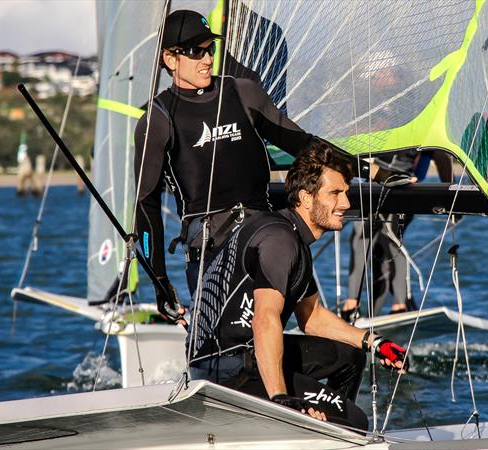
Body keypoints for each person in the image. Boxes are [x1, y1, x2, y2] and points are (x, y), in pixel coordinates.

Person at [133, 10, 411, 322]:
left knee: (330, 349)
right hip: (210, 252)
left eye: (210, 49)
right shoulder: (157, 119)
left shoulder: (242, 93)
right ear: (171, 59)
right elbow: (146, 205)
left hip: (263, 236)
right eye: (196, 52)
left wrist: (373, 172)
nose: (208, 59)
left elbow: (305, 144)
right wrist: (160, 283)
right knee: (230, 354)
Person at [187, 141, 409, 430]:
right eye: (335, 194)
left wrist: (374, 342)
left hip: (241, 354)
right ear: (306, 197)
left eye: (346, 193)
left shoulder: (289, 234)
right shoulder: (280, 241)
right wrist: (282, 400)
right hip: (227, 368)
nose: (346, 204)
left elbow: (312, 317)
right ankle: (309, 428)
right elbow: (265, 320)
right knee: (355, 420)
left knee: (350, 357)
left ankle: (318, 429)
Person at [342, 150, 454, 321]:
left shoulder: (420, 132)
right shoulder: (385, 125)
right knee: (377, 251)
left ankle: (392, 305)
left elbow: (440, 155)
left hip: (401, 188)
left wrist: (451, 198)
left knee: (384, 240)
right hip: (376, 182)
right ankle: (372, 316)